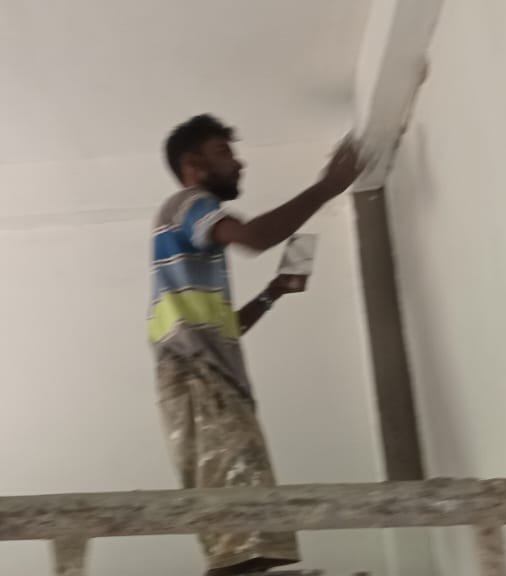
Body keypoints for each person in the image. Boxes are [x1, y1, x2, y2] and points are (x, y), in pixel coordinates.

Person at [148, 114, 363, 576]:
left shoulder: (193, 251)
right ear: (193, 164)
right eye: (224, 152)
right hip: (198, 378)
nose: (239, 163)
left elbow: (227, 330)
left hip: (206, 377)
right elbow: (254, 237)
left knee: (248, 521)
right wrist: (328, 186)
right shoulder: (188, 203)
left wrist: (273, 292)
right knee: (239, 522)